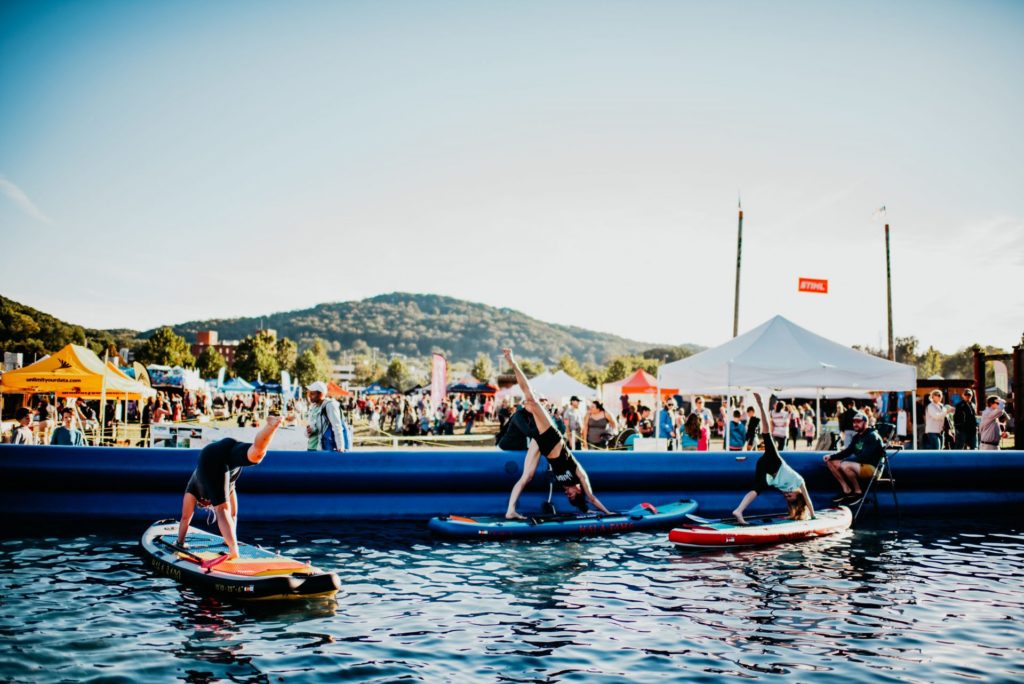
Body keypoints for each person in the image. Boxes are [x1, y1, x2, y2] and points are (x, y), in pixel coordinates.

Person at [502, 348, 611, 520]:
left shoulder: (565, 484)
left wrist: (585, 511)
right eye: (571, 494)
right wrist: (608, 513)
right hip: (552, 438)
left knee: (527, 476)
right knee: (532, 400)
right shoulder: (579, 474)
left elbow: (584, 503)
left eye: (568, 496)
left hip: (543, 446)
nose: (567, 493)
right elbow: (591, 498)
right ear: (579, 489)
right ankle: (513, 363)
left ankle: (510, 511)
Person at [176, 414, 284, 559]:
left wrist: (180, 543)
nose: (209, 505)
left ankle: (234, 552)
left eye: (206, 505)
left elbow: (185, 517)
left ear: (201, 502)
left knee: (222, 509)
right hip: (228, 448)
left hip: (210, 457)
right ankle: (271, 426)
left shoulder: (193, 488)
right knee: (256, 455)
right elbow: (233, 514)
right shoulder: (223, 483)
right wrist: (231, 539)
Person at [732, 393, 815, 525]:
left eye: (787, 497)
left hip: (766, 470)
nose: (787, 494)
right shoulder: (799, 482)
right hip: (775, 462)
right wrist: (813, 516)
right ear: (798, 495)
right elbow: (808, 501)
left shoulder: (787, 491)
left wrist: (791, 515)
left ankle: (738, 511)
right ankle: (761, 405)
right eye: (790, 495)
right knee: (767, 434)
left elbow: (790, 499)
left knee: (756, 489)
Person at [823, 411, 886, 505]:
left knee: (845, 465)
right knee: (831, 462)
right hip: (861, 466)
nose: (855, 424)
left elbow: (865, 457)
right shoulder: (857, 437)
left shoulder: (872, 436)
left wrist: (844, 462)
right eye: (854, 422)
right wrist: (831, 457)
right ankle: (847, 490)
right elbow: (848, 451)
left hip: (873, 468)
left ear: (865, 423)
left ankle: (858, 492)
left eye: (858, 422)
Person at [305, 381, 348, 452]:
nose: (309, 396)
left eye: (312, 393)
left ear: (321, 394)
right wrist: (308, 431)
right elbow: (309, 431)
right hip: (311, 448)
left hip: (322, 449)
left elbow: (337, 426)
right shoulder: (314, 407)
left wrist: (340, 447)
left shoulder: (330, 405)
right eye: (309, 393)